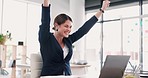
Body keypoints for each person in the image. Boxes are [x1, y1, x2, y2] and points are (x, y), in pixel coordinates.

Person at [39, 0, 110, 76]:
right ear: (56, 25)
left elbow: (84, 29)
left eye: (70, 27)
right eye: (66, 26)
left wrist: (102, 10)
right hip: (50, 76)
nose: (69, 30)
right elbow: (45, 20)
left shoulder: (68, 40)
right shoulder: (46, 38)